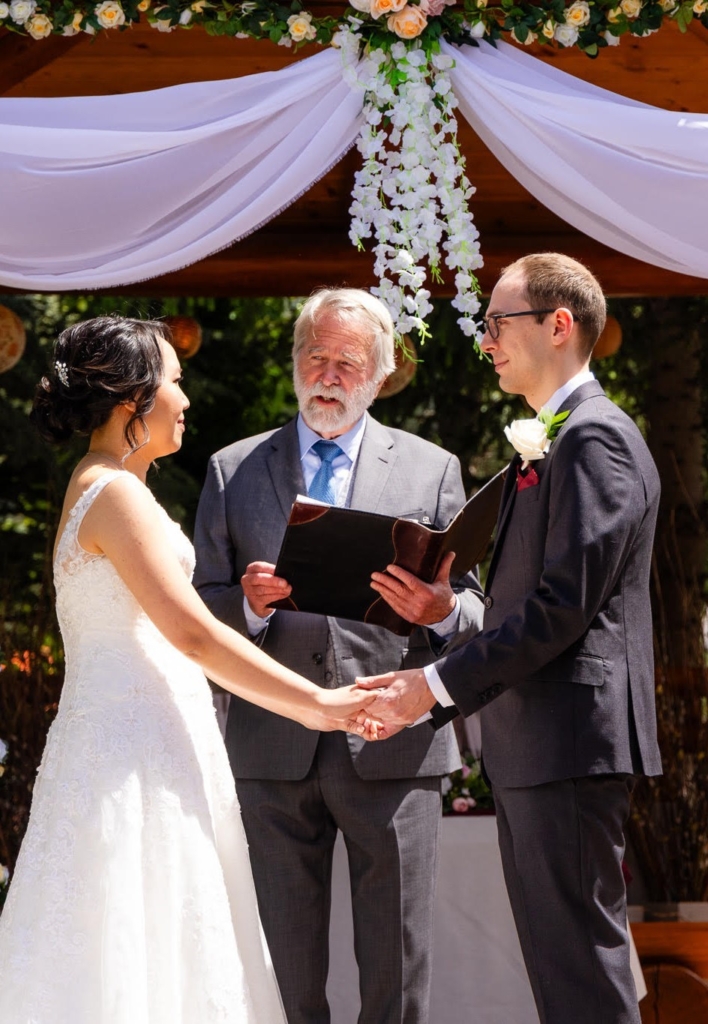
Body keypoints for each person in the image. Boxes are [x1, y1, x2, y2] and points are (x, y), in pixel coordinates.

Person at [0, 316, 378, 1024]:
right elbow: (194, 636)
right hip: (133, 760)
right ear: (129, 403)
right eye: (175, 382)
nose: (186, 398)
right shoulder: (113, 492)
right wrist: (318, 704)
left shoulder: (108, 485)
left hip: (145, 743)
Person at [358, 254, 662, 1024]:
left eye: (498, 322)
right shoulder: (557, 440)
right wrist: (445, 615)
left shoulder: (597, 440)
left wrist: (430, 686)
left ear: (558, 325)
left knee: (582, 973)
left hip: (568, 742)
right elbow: (532, 603)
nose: (486, 340)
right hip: (542, 741)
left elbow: (561, 609)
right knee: (563, 975)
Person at [193, 288, 484, 1024]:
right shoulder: (233, 468)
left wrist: (441, 609)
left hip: (395, 747)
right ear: (295, 361)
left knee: (397, 968)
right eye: (314, 356)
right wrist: (250, 607)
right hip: (269, 749)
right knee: (280, 972)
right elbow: (199, 609)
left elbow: (481, 609)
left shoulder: (433, 468)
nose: (327, 374)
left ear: (380, 373)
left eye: (347, 362)